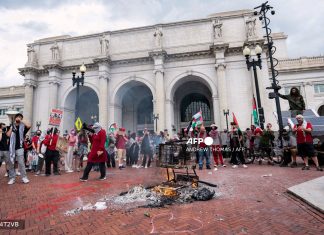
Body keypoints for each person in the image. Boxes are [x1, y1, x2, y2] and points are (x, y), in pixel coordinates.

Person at [6, 113, 31, 184]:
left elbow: (29, 125)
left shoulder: (23, 127)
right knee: (11, 163)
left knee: (21, 162)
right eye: (18, 117)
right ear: (15, 118)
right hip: (11, 148)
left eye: (20, 117)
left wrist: (22, 121)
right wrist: (12, 127)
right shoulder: (11, 126)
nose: (18, 118)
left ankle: (24, 177)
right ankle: (12, 178)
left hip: (20, 147)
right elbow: (8, 135)